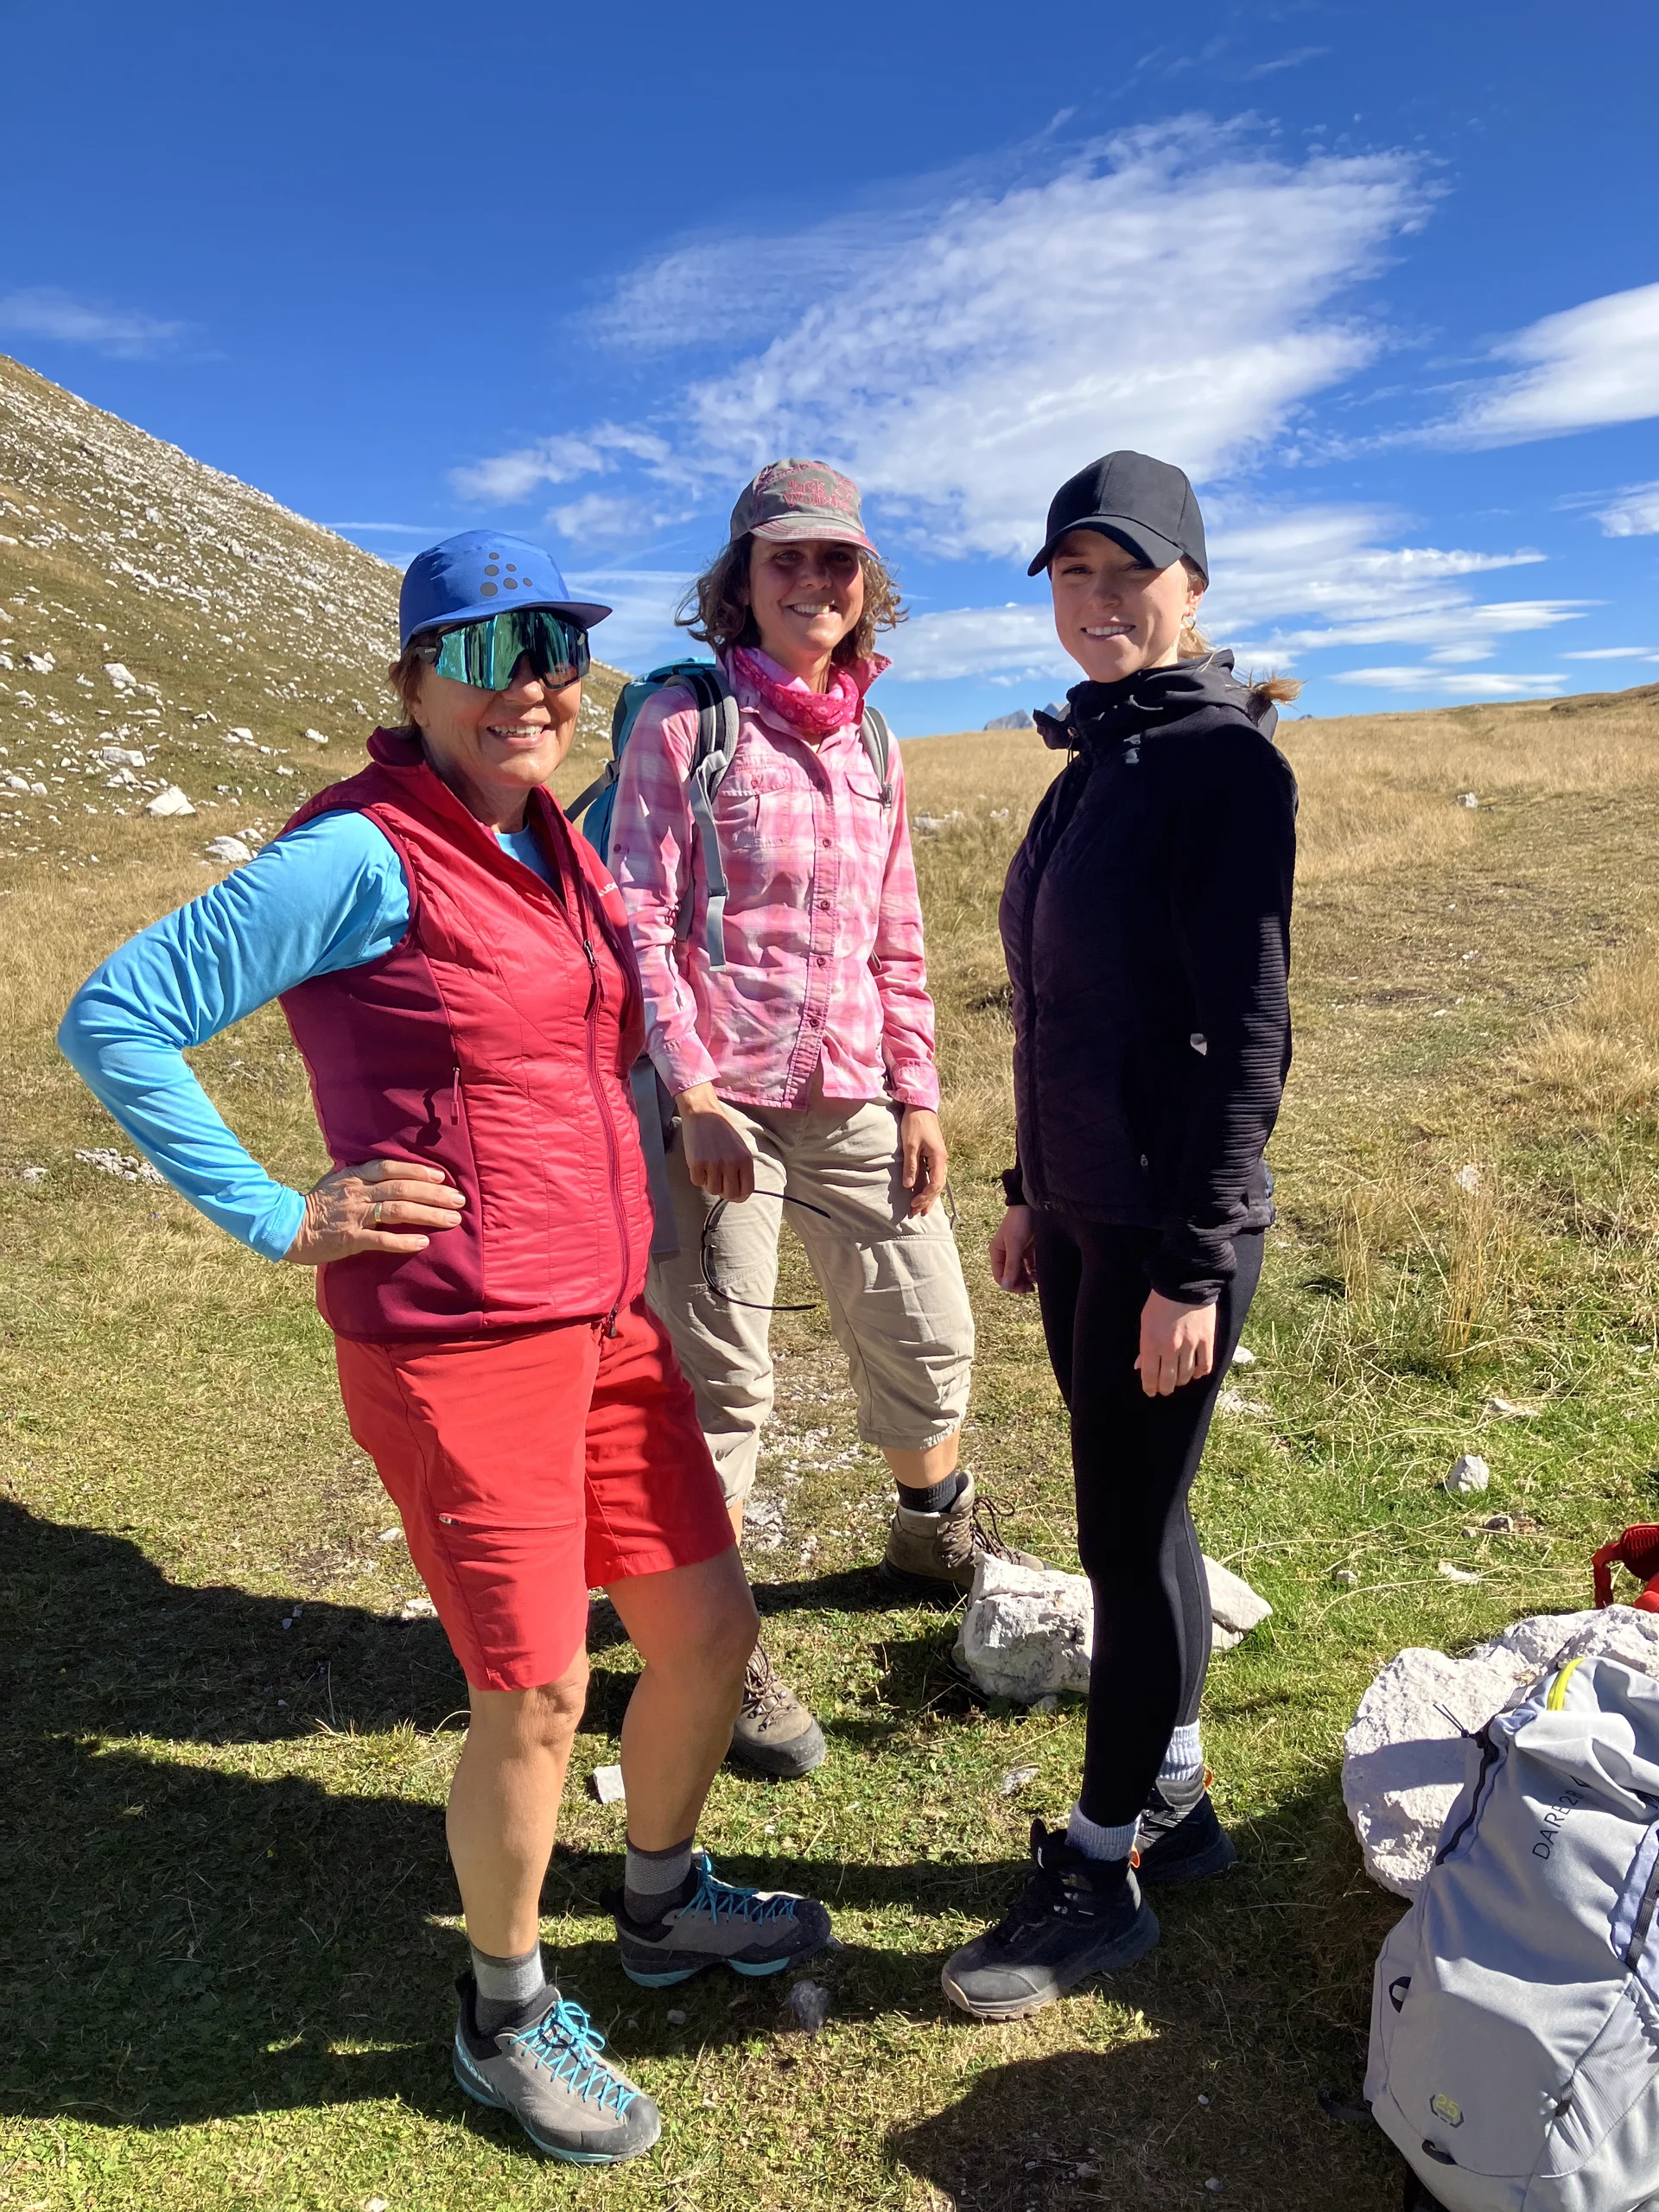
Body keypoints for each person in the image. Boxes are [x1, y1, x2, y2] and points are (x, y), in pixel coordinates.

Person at [58, 531, 831, 2164]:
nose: (531, 679)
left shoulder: (557, 833)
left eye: (556, 644)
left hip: (605, 1314)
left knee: (704, 1629)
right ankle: (501, 2010)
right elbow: (115, 1015)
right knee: (538, 1689)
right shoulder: (359, 855)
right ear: (413, 683)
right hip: (456, 1340)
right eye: (485, 651)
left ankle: (664, 1901)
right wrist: (280, 1212)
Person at [608, 459, 1043, 1780]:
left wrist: (920, 1090)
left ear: (868, 586)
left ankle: (931, 1529)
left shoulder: (873, 740)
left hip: (851, 1084)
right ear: (738, 585)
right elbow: (637, 915)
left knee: (926, 1318)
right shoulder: (686, 724)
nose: (815, 582)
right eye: (785, 559)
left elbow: (896, 932)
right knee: (719, 1371)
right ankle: (717, 1643)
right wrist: (688, 1096)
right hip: (716, 1104)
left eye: (837, 562)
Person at [940, 454, 1298, 2020]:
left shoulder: (1222, 765)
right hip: (1081, 1211)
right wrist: (1026, 1188)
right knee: (1142, 1524)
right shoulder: (1098, 758)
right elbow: (1059, 1012)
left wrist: (1192, 1264)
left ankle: (1102, 1874)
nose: (1098, 599)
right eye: (1071, 575)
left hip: (1163, 1232)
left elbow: (1248, 1033)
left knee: (1116, 1534)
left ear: (1193, 590)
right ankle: (1179, 1803)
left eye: (1127, 571)